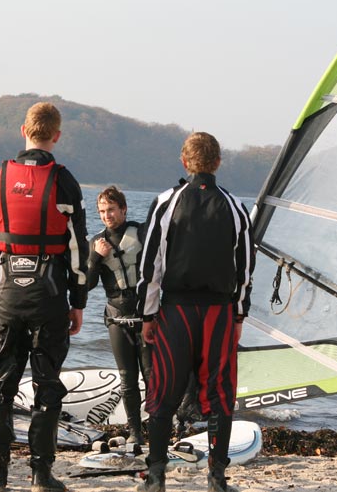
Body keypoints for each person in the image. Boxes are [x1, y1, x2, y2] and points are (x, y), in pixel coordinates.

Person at [0, 102, 88, 492]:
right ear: (56, 135)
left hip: (6, 290)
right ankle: (41, 474)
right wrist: (79, 301)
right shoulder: (65, 180)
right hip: (49, 292)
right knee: (46, 382)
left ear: (23, 129)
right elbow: (79, 248)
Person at [135, 132, 254, 492]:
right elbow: (245, 268)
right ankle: (217, 478)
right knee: (220, 395)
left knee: (163, 391)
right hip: (219, 312)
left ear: (184, 162)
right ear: (217, 163)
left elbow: (149, 264)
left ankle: (155, 477)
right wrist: (239, 316)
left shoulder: (167, 201)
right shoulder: (235, 206)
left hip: (176, 311)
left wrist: (147, 314)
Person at [86, 185, 151, 444]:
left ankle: (159, 428)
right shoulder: (96, 242)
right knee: (127, 378)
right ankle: (135, 432)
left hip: (144, 315)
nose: (107, 215)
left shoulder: (142, 233)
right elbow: (88, 284)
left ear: (123, 209)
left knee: (151, 375)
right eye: (102, 211)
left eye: (111, 209)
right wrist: (95, 258)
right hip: (117, 317)